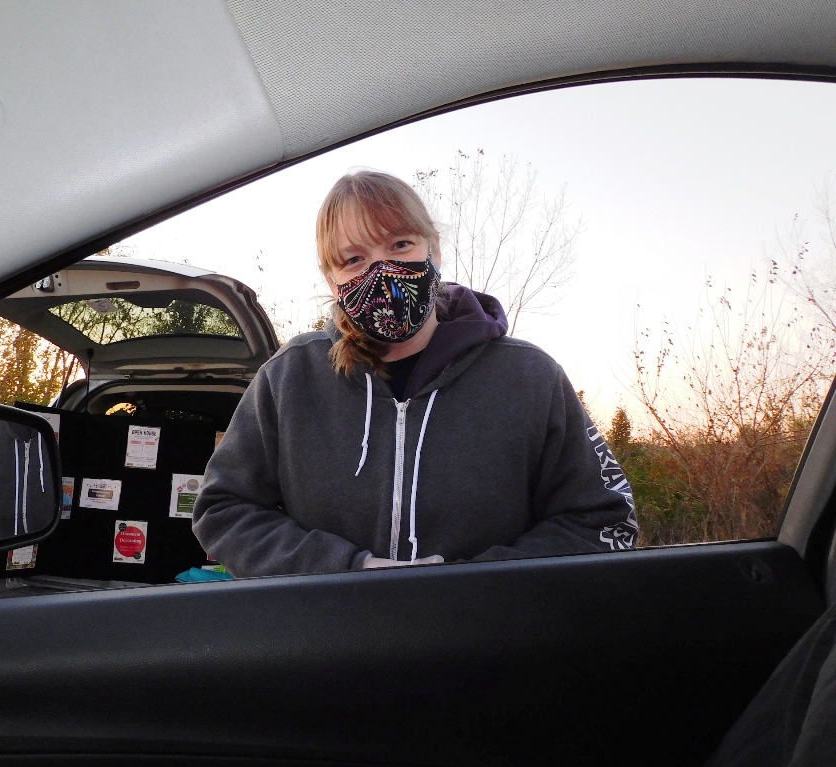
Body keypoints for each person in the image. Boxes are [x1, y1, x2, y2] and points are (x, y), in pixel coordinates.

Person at [192, 170, 638, 577]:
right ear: (332, 279)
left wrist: (474, 588)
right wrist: (344, 569)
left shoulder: (529, 378)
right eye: (354, 259)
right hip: (328, 634)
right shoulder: (289, 378)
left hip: (487, 635)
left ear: (434, 250)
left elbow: (604, 520)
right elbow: (223, 508)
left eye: (400, 245)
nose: (382, 272)